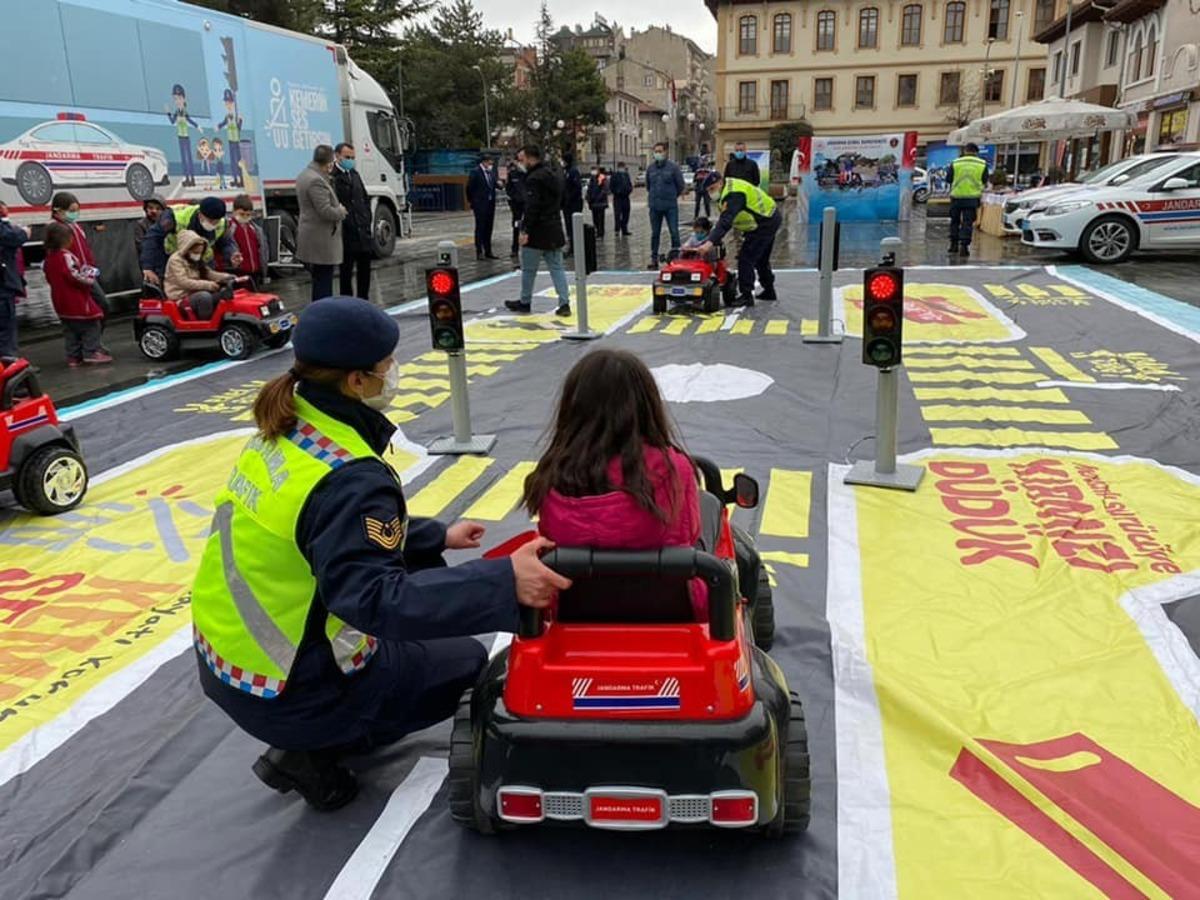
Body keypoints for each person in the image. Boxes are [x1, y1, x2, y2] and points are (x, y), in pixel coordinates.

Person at [190, 296, 570, 811]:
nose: (394, 374)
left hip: (229, 665)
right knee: (466, 658)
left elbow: (318, 529)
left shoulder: (286, 429)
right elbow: (374, 599)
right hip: (294, 689)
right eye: (387, 366)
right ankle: (314, 750)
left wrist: (435, 537)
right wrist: (504, 580)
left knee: (426, 571)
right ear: (357, 382)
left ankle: (314, 733)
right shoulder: (351, 475)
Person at [522, 349, 705, 620]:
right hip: (674, 611)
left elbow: (550, 541)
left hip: (575, 613)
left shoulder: (551, 476)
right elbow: (688, 536)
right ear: (647, 406)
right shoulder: (675, 469)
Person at [504, 145, 571, 317]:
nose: (520, 163)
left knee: (529, 270)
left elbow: (532, 207)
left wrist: (525, 230)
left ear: (529, 158)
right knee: (557, 268)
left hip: (537, 232)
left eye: (521, 159)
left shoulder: (533, 179)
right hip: (554, 228)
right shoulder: (553, 175)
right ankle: (564, 303)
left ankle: (525, 301)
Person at [697, 173, 781, 307]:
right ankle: (769, 290)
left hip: (763, 223)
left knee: (746, 258)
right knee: (761, 258)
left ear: (720, 182)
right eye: (708, 191)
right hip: (768, 217)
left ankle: (747, 295)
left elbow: (725, 222)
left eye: (712, 189)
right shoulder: (728, 187)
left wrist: (709, 242)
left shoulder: (733, 195)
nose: (711, 193)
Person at [41, 222, 111, 367]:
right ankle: (90, 352)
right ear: (67, 239)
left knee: (70, 329)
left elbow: (49, 277)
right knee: (92, 324)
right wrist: (89, 280)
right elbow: (73, 275)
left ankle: (73, 356)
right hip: (76, 299)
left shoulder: (48, 259)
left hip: (60, 301)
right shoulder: (66, 256)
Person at [140, 196, 241, 286]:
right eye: (210, 220)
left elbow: (226, 242)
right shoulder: (174, 217)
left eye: (216, 221)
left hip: (202, 262)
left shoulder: (222, 223)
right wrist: (148, 267)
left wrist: (232, 253)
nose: (214, 224)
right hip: (172, 259)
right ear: (200, 215)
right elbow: (152, 238)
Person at [296, 145, 347, 303]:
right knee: (323, 282)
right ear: (329, 162)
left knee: (320, 279)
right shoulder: (316, 180)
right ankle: (323, 314)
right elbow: (325, 211)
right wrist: (341, 211)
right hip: (321, 240)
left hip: (315, 238)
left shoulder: (305, 175)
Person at [49, 193, 109, 321]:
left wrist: (91, 267)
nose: (75, 214)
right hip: (76, 276)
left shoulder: (76, 226)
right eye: (71, 211)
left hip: (87, 272)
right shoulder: (57, 230)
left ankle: (94, 337)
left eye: (77, 210)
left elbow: (85, 250)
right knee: (97, 306)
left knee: (101, 305)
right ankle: (91, 338)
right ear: (58, 210)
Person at [332, 142, 374, 299]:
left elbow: (364, 198)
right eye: (347, 157)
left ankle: (364, 300)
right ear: (337, 156)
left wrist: (366, 219)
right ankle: (347, 302)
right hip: (347, 232)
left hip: (362, 230)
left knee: (365, 270)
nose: (350, 160)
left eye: (352, 157)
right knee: (346, 272)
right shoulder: (333, 177)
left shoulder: (355, 175)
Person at [165, 230, 234, 320]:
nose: (198, 255)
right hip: (180, 296)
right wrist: (208, 285)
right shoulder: (175, 260)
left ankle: (224, 320)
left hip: (195, 292)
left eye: (200, 252)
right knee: (204, 297)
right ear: (187, 249)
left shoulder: (195, 260)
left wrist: (227, 277)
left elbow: (208, 273)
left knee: (224, 293)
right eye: (196, 252)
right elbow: (183, 282)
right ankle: (206, 326)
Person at [646, 142, 685, 269]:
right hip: (654, 206)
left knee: (674, 232)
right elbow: (648, 186)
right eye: (656, 151)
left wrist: (672, 196)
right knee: (654, 233)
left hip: (670, 206)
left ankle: (676, 257)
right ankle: (654, 258)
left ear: (665, 152)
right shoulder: (650, 168)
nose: (658, 153)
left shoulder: (673, 168)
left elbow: (680, 186)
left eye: (660, 151)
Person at [948, 143, 989, 258]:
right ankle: (964, 247)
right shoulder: (982, 164)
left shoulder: (955, 163)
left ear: (965, 150)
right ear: (976, 152)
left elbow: (948, 179)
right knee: (967, 222)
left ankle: (953, 245)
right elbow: (985, 180)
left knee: (954, 221)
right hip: (972, 198)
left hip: (956, 197)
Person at [0, 203, 27, 359]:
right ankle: (9, 366)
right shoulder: (4, 230)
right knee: (6, 331)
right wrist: (24, 232)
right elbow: (14, 237)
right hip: (2, 286)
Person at [221, 194, 269, 281]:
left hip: (255, 272)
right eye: (242, 214)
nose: (245, 217)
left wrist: (263, 271)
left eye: (248, 215)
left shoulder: (255, 229)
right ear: (234, 211)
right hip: (237, 273)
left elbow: (262, 249)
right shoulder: (229, 227)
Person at [466, 155, 499, 261]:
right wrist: (472, 201)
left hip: (490, 203)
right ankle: (479, 251)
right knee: (480, 227)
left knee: (489, 227)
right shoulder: (475, 172)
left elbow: (493, 184)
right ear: (484, 162)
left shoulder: (490, 173)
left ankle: (488, 250)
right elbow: (469, 187)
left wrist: (500, 184)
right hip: (480, 204)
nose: (490, 165)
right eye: (489, 163)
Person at [560, 153, 584, 256]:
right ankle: (572, 247)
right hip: (567, 204)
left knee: (574, 226)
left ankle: (575, 248)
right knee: (569, 227)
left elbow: (576, 188)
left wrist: (569, 199)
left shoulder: (573, 171)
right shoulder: (566, 171)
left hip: (574, 204)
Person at [505, 157, 527, 258]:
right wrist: (514, 198)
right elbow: (508, 188)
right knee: (516, 226)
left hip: (527, 204)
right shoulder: (512, 174)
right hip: (516, 205)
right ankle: (514, 249)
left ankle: (530, 248)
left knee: (528, 226)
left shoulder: (528, 173)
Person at [133, 195, 166, 261]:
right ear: (145, 209)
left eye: (158, 209)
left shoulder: (166, 223)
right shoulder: (141, 224)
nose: (154, 211)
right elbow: (141, 246)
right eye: (150, 208)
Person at [586, 166, 610, 239]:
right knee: (595, 219)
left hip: (600, 203)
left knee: (600, 219)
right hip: (593, 203)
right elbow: (589, 189)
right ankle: (597, 231)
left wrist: (598, 197)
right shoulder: (592, 178)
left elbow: (605, 189)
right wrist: (588, 198)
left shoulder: (602, 177)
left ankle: (600, 232)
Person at [609, 162, 633, 237]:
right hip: (618, 198)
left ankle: (624, 230)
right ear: (618, 167)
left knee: (626, 214)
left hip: (626, 197)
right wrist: (617, 191)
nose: (623, 168)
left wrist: (629, 190)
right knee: (618, 214)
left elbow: (630, 185)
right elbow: (611, 187)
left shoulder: (626, 175)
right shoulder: (614, 175)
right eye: (622, 167)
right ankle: (617, 230)